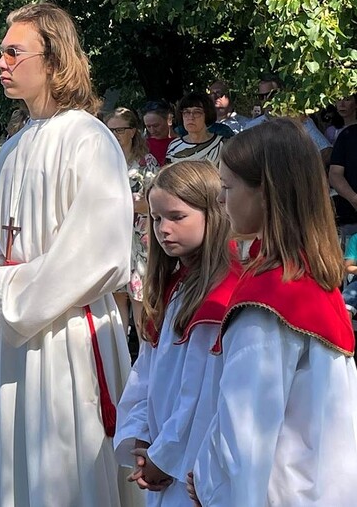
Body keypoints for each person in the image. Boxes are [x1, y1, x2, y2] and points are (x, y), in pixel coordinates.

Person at [0, 2, 139, 507]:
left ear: (54, 59)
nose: (1, 63)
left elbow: (98, 253)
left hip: (69, 332)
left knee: (66, 473)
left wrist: (4, 285)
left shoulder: (89, 139)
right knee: (20, 464)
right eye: (0, 52)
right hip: (15, 337)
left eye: (13, 52)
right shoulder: (13, 148)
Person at [190, 119, 357, 506]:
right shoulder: (313, 277)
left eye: (227, 188)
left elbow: (245, 433)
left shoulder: (268, 301)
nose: (221, 201)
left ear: (264, 193)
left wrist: (210, 482)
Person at [114, 161, 241, 506]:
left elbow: (200, 396)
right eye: (156, 218)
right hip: (162, 451)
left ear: (214, 213)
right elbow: (145, 375)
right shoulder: (174, 285)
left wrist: (164, 456)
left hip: (191, 462)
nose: (163, 229)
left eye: (177, 217)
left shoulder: (221, 295)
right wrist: (141, 437)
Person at [104, 107, 159, 333]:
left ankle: (144, 348)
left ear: (133, 131)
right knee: (115, 299)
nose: (114, 135)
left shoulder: (146, 162)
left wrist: (120, 203)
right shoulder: (102, 161)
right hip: (111, 239)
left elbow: (154, 201)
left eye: (119, 130)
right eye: (110, 130)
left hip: (139, 241)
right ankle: (121, 351)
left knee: (139, 299)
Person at [243, 71, 332, 163]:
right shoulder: (252, 127)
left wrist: (301, 167)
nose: (266, 100)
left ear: (282, 94)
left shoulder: (300, 121)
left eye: (271, 95)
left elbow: (326, 151)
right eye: (261, 97)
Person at [166, 92, 224, 165]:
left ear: (207, 115)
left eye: (197, 112)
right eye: (186, 112)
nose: (191, 117)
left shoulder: (221, 144)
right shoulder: (174, 146)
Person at [328, 93, 357, 224]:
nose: (342, 104)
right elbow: (335, 174)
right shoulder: (346, 135)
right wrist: (354, 199)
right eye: (338, 100)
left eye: (347, 99)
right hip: (350, 217)